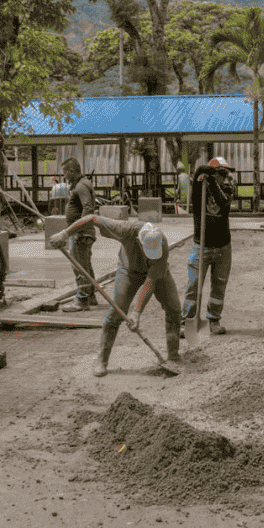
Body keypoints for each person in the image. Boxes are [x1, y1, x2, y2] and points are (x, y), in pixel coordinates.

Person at [49, 216, 181, 377]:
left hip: (157, 273)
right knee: (116, 312)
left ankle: (173, 356)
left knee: (174, 308)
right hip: (128, 271)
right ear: (139, 242)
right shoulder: (126, 229)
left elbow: (150, 281)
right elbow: (92, 218)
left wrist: (137, 312)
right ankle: (102, 359)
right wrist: (64, 234)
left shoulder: (162, 245)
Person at [182, 158, 235, 336]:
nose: (224, 177)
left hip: (223, 247)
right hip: (202, 246)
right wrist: (205, 173)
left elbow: (223, 205)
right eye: (221, 173)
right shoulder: (199, 188)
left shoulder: (228, 188)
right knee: (193, 284)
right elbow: (197, 172)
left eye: (225, 174)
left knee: (219, 285)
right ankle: (187, 320)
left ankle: (214, 320)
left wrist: (212, 180)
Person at [59, 159, 99, 312]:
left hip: (81, 234)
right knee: (85, 265)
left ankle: (82, 300)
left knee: (79, 266)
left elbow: (88, 207)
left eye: (65, 173)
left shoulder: (81, 186)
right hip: (82, 233)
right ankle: (91, 295)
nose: (64, 176)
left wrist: (78, 230)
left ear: (70, 171)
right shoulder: (81, 184)